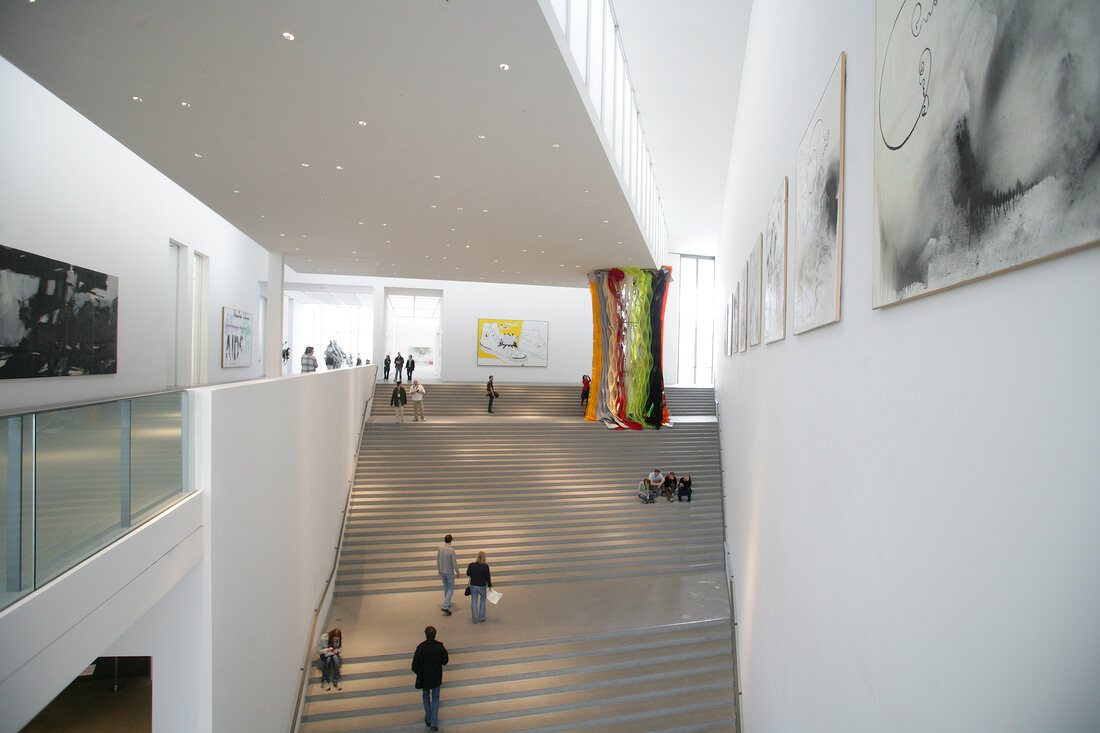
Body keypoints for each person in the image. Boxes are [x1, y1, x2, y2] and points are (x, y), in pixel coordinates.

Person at [411, 626, 449, 731]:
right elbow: (445, 661)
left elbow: (414, 665)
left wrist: (420, 672)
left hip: (425, 678)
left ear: (426, 635)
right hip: (436, 677)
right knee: (436, 698)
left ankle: (428, 718)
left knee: (426, 696)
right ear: (435, 635)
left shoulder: (421, 648)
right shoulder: (440, 647)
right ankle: (434, 723)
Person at [466, 551, 492, 623]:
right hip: (482, 586)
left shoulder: (471, 565)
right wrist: (489, 586)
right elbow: (488, 577)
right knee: (483, 600)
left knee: (474, 601)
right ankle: (482, 617)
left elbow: (468, 573)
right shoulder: (485, 566)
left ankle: (474, 619)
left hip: (473, 585)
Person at [436, 534, 459, 615]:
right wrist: (457, 571)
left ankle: (447, 602)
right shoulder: (451, 551)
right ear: (451, 541)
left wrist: (439, 569)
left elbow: (438, 560)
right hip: (449, 571)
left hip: (442, 571)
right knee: (451, 588)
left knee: (446, 587)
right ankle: (445, 605)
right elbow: (454, 563)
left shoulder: (440, 548)